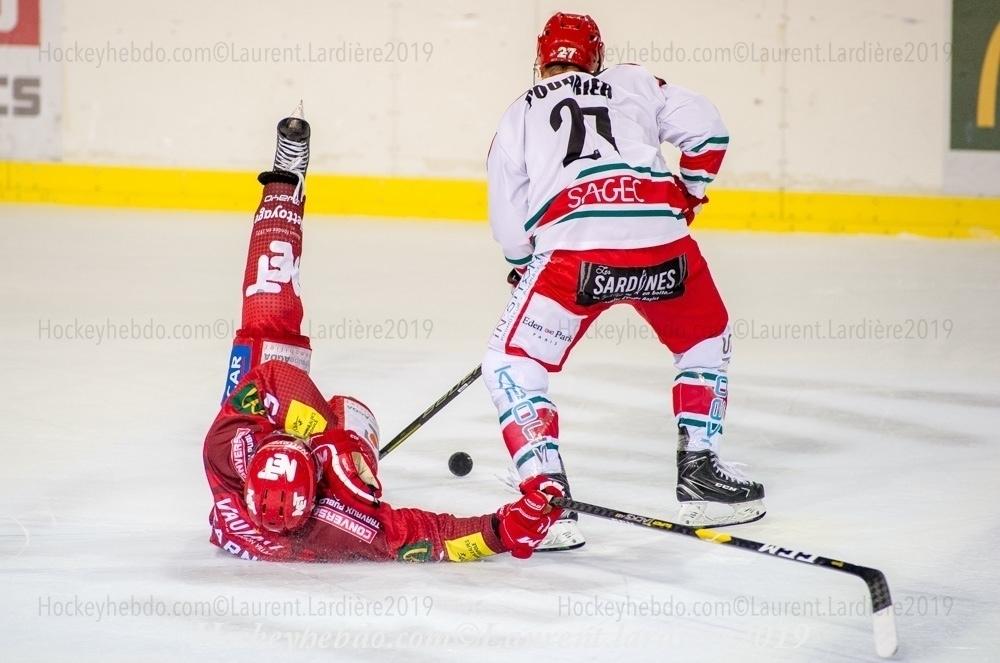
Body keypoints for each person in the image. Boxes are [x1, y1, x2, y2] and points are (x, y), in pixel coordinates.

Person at [203, 107, 562, 562]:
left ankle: (283, 184)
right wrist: (503, 530)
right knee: (355, 423)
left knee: (266, 315)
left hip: (282, 440)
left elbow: (272, 377)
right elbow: (428, 537)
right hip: (335, 447)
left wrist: (322, 440)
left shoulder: (226, 447)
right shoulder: (338, 527)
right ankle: (353, 446)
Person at [483, 13, 765, 551]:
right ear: (598, 56)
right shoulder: (636, 80)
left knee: (511, 365)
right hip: (663, 245)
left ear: (541, 59)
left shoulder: (520, 110)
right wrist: (689, 193)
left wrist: (522, 263)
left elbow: (508, 218)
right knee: (704, 339)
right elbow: (709, 131)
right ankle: (701, 471)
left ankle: (546, 500)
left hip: (573, 256)